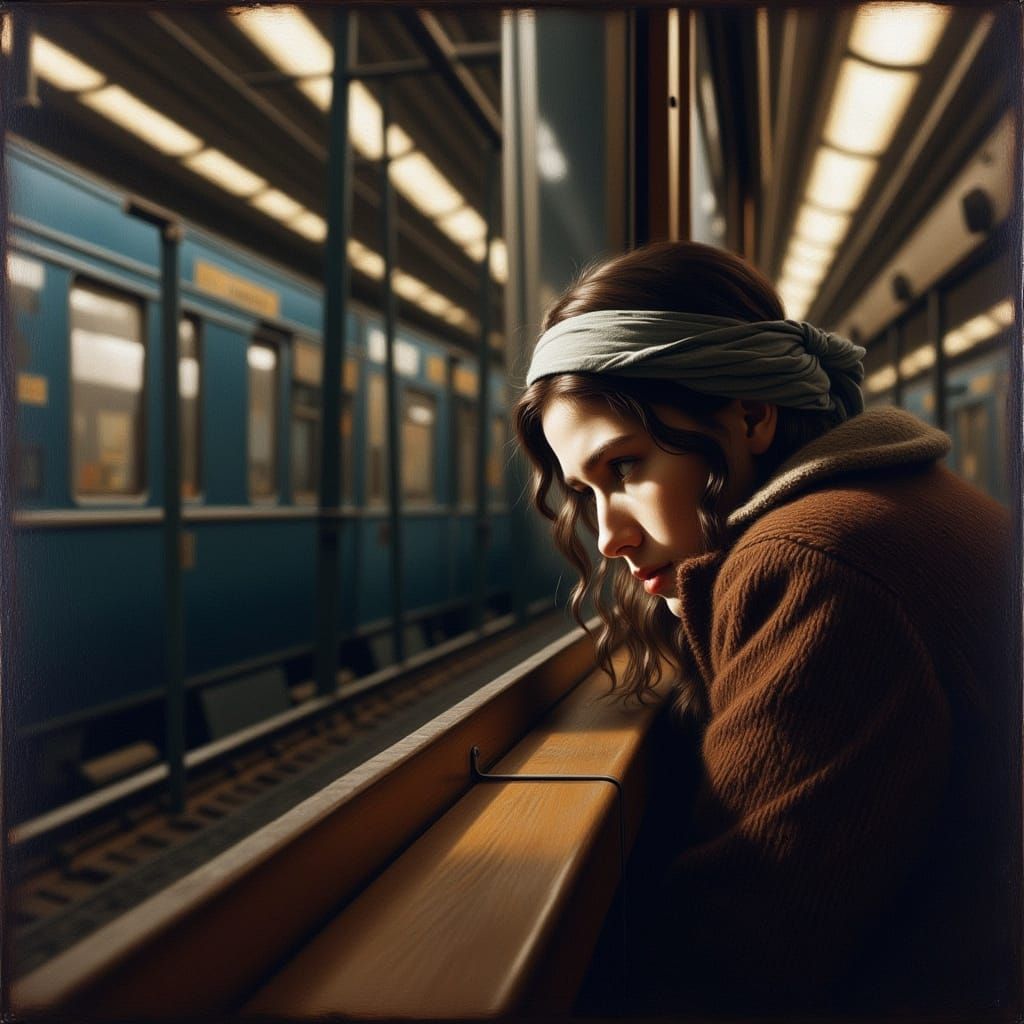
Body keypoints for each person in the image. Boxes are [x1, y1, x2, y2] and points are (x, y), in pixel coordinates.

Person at [513, 241, 1018, 1016]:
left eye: (626, 467)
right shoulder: (892, 504)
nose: (607, 535)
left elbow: (736, 964)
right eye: (585, 491)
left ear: (750, 416)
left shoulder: (815, 564)